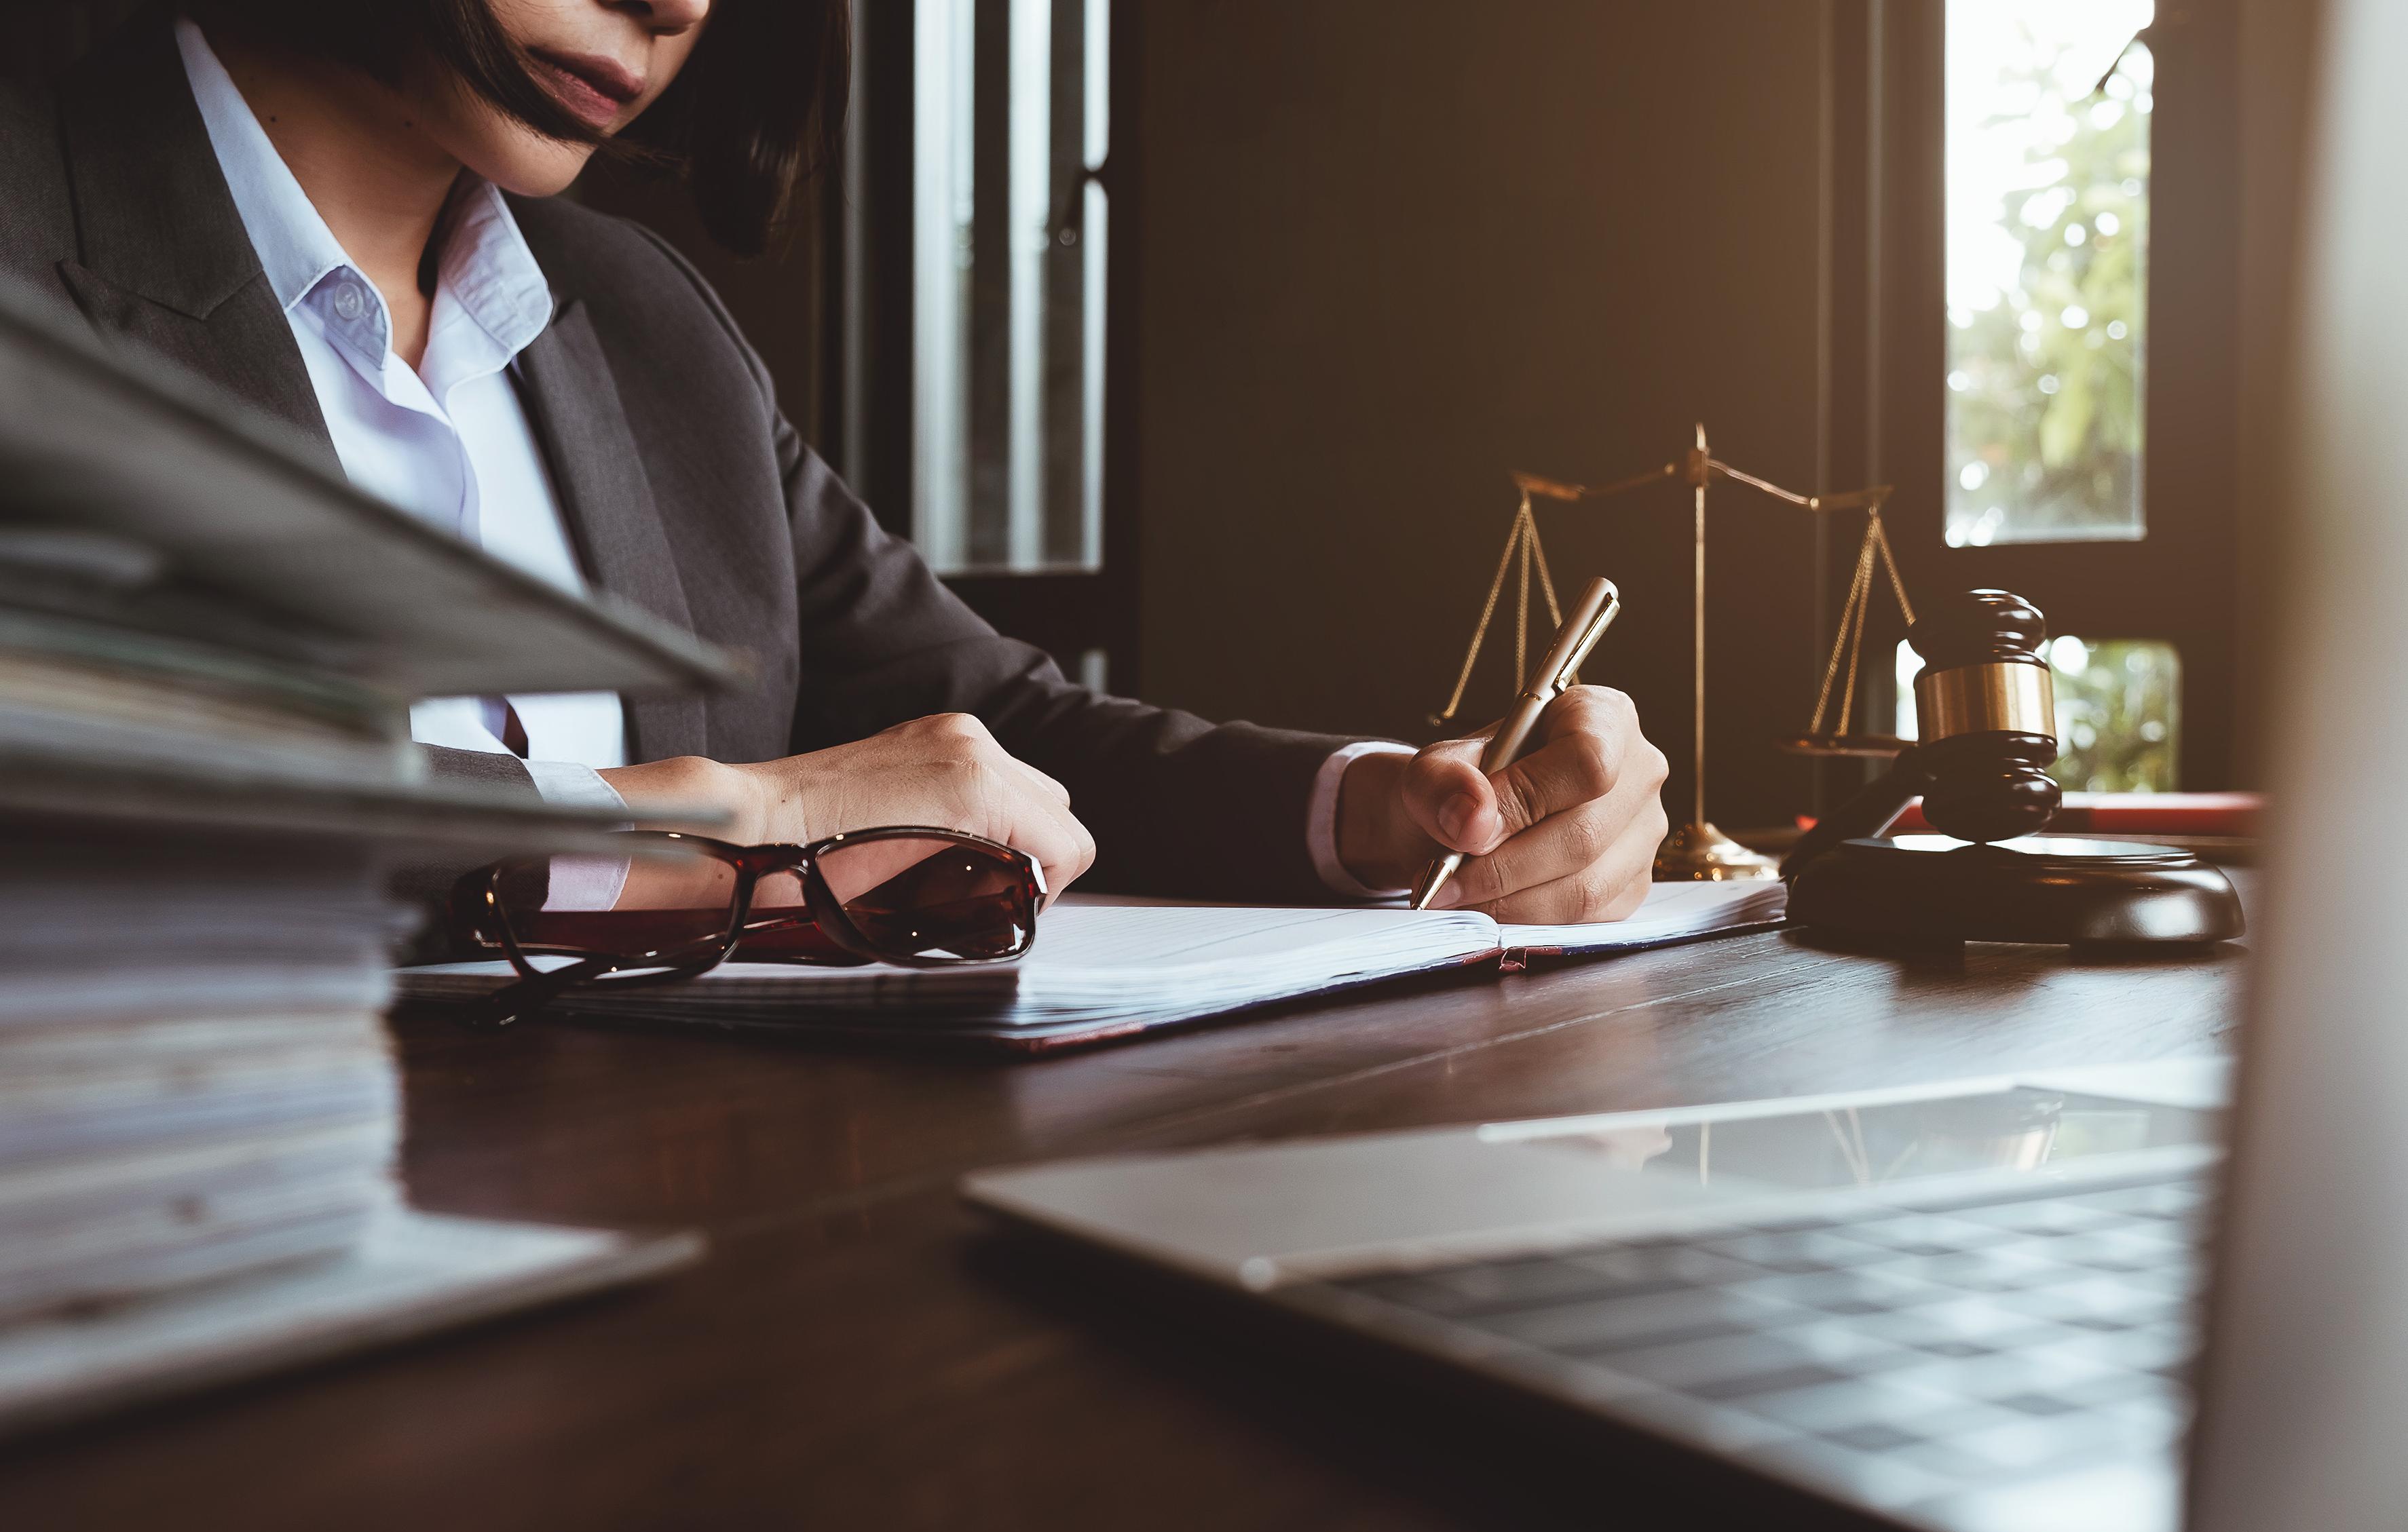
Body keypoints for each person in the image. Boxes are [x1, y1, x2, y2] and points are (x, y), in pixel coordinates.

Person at [0, 1, 1669, 922]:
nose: (671, 7)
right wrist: (731, 822)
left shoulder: (649, 328)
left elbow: (991, 732)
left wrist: (1382, 809)